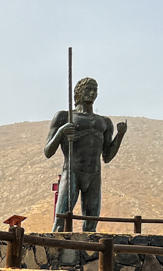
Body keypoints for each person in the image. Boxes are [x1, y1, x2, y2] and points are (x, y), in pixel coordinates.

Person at [45, 76, 127, 233]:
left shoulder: (104, 122)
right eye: (88, 89)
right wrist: (61, 132)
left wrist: (120, 135)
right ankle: (53, 246)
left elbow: (107, 157)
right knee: (60, 221)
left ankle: (90, 249)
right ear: (79, 92)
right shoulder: (64, 117)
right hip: (72, 172)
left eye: (95, 90)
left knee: (91, 224)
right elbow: (48, 151)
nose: (92, 93)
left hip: (94, 174)